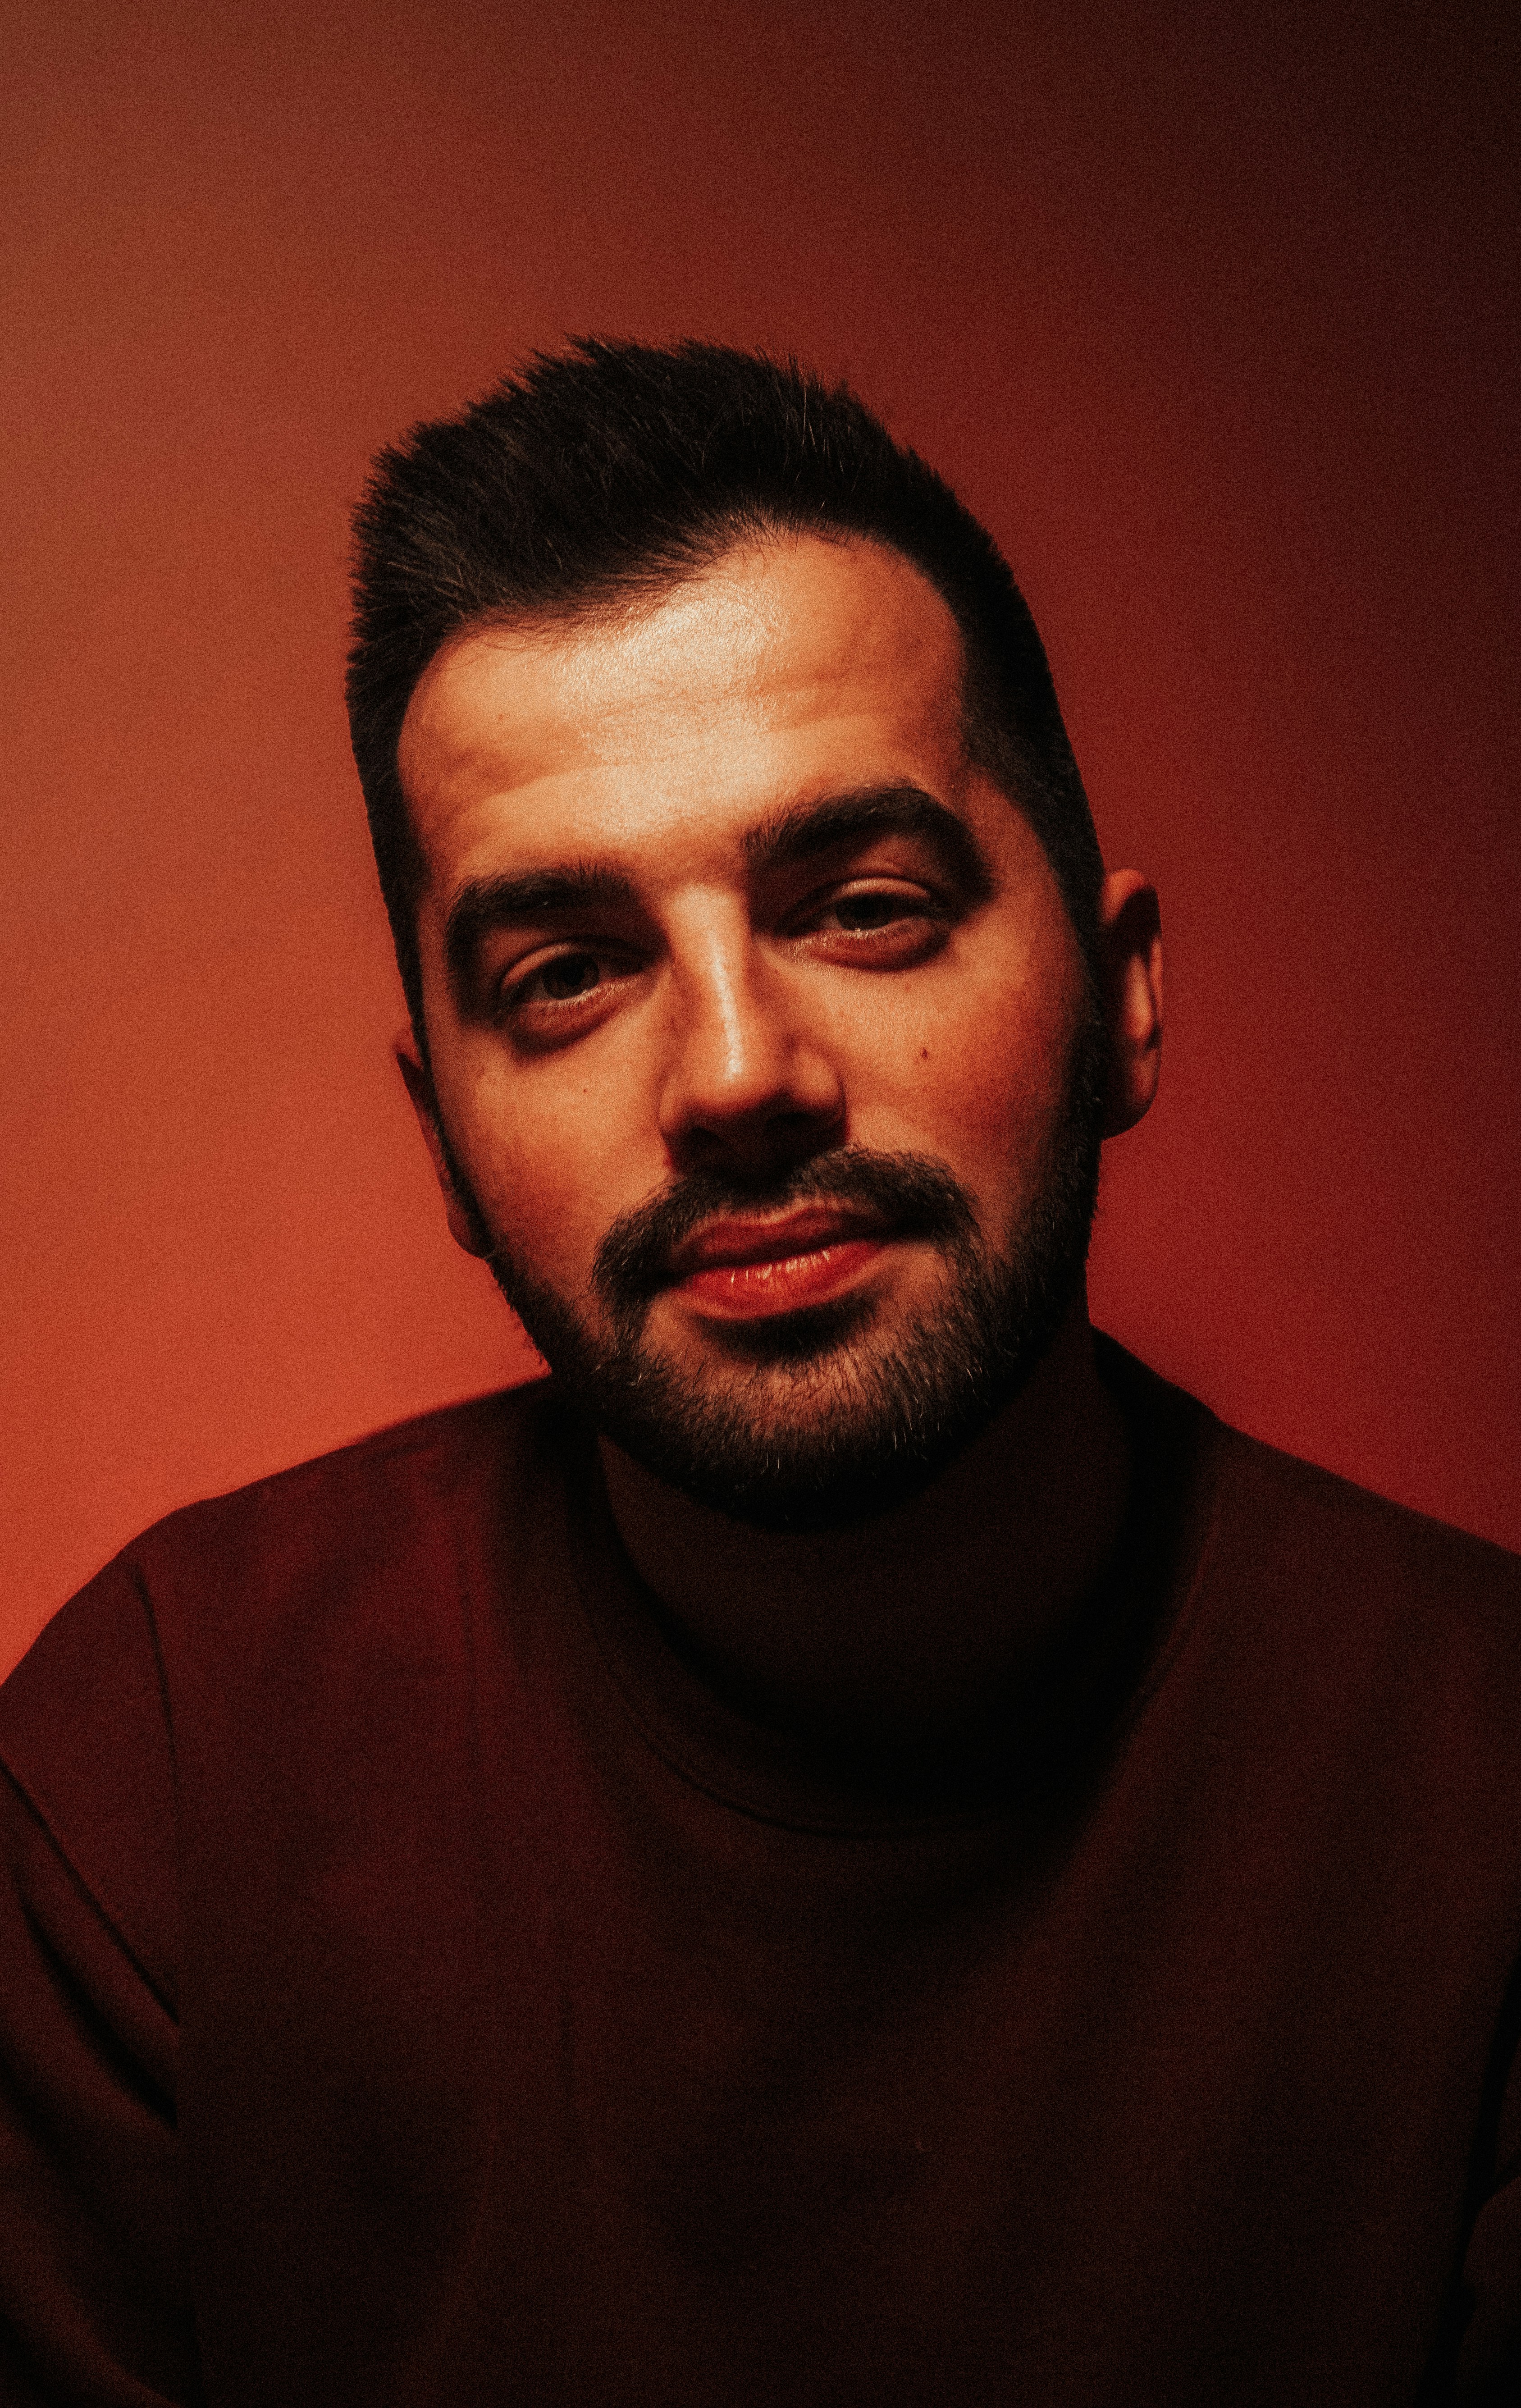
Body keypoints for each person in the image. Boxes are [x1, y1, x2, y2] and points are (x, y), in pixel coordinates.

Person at [2, 340, 1518, 2408]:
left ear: (1120, 998)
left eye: (862, 910)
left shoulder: (1480, 1803)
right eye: (567, 972)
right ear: (442, 1139)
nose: (733, 1076)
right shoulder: (157, 1781)